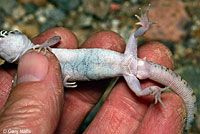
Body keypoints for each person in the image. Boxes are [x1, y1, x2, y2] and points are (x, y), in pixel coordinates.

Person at [0, 27, 185, 134]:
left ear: (19, 35)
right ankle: (153, 90)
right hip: (124, 68)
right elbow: (54, 79)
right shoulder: (42, 55)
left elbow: (57, 38)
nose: (3, 37)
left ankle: (154, 90)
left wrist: (44, 45)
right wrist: (60, 83)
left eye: (4, 33)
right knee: (137, 92)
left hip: (126, 62)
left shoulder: (43, 51)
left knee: (132, 40)